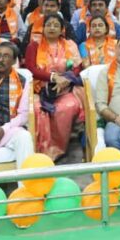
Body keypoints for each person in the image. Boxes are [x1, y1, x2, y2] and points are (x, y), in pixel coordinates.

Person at [24, 14, 83, 160]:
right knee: (37, 109)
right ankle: (41, 152)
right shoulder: (34, 45)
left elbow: (77, 67)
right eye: (49, 24)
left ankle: (57, 149)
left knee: (67, 107)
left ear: (62, 29)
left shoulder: (70, 45)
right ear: (43, 28)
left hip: (64, 89)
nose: (52, 28)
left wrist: (66, 79)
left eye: (56, 25)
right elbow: (31, 69)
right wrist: (52, 77)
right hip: (39, 89)